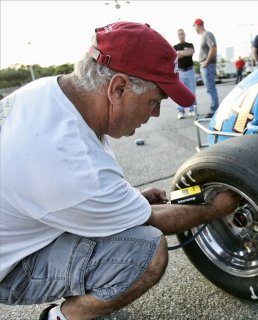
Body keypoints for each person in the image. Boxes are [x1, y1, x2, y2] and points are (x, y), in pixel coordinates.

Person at [0, 22, 240, 320]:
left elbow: (64, 189)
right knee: (148, 253)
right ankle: (61, 317)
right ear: (119, 88)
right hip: (10, 267)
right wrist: (215, 209)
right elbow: (156, 220)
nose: (154, 114)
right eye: (154, 101)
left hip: (17, 229)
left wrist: (133, 200)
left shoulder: (50, 93)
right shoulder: (71, 162)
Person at [193, 18, 219, 118]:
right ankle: (214, 109)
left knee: (211, 88)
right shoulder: (205, 35)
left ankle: (214, 110)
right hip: (206, 66)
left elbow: (213, 47)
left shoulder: (207, 34)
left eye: (194, 26)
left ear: (197, 25)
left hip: (208, 65)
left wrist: (207, 61)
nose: (194, 28)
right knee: (210, 88)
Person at [173, 29, 196, 120]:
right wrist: (182, 53)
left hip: (190, 71)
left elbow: (190, 52)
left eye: (182, 34)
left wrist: (179, 53)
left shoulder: (190, 45)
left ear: (185, 34)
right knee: (180, 92)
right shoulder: (175, 46)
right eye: (179, 34)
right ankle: (180, 111)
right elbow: (175, 56)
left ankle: (192, 110)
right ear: (177, 36)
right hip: (180, 72)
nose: (181, 35)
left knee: (192, 91)